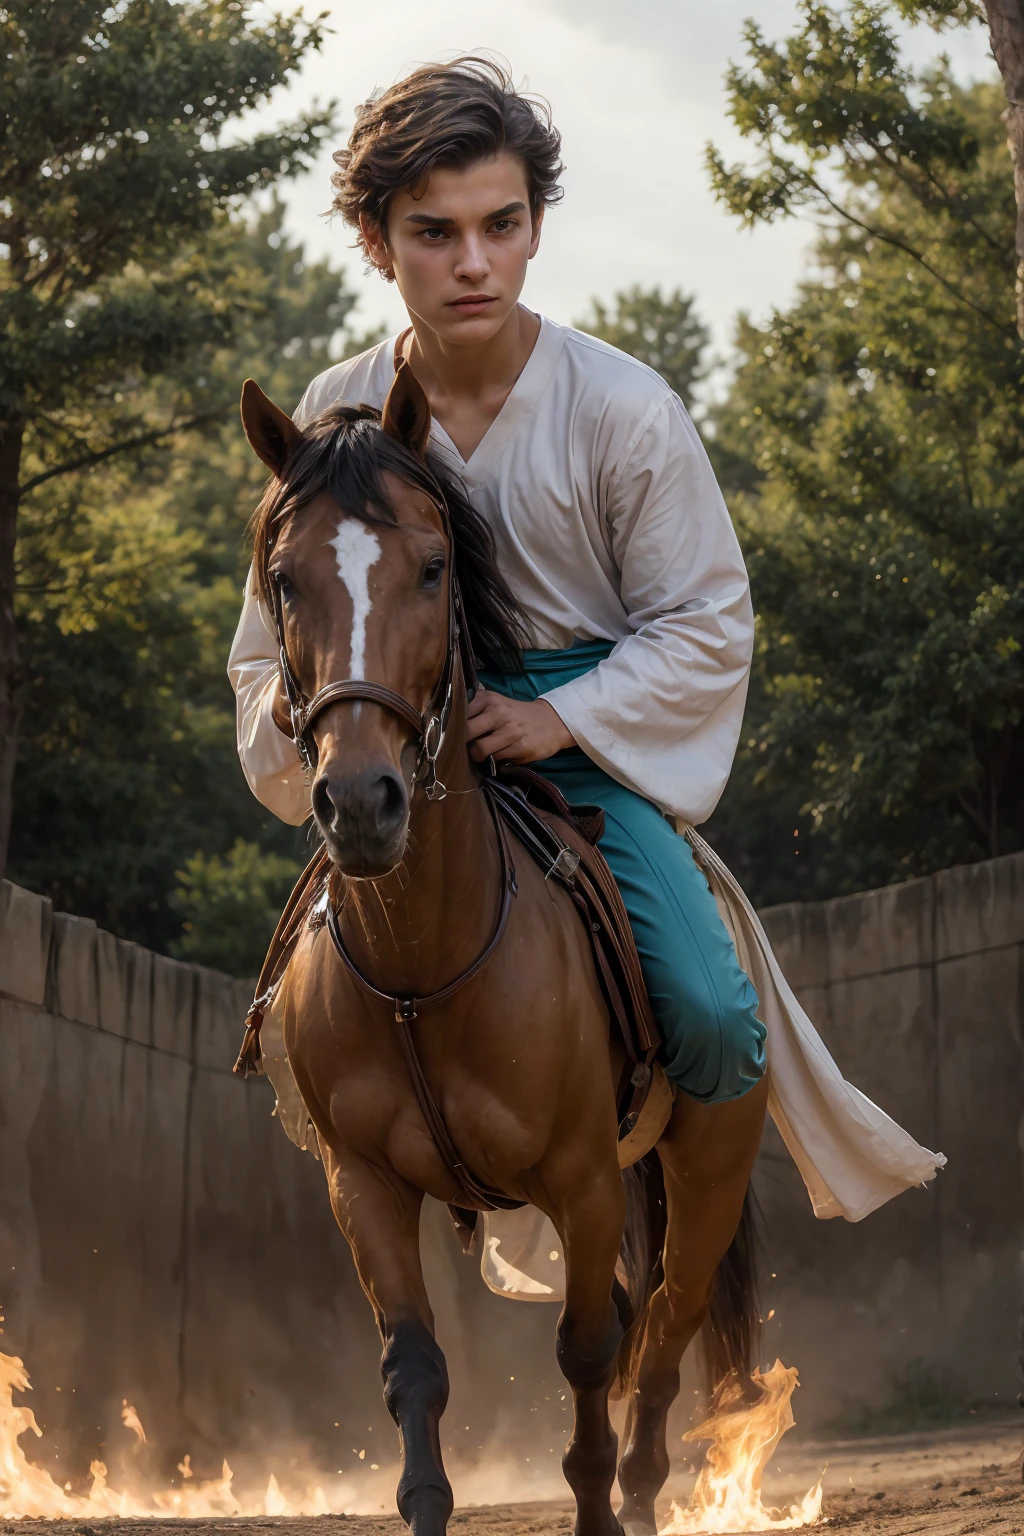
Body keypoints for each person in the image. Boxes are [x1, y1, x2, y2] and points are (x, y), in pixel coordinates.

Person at [229, 54, 766, 1109]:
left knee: (711, 1016)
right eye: (434, 232)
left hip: (588, 741)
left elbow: (706, 623)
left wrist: (555, 717)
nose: (475, 263)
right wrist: (316, 716)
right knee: (303, 1029)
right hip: (391, 738)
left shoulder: (622, 407)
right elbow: (265, 640)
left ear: (532, 226)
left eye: (503, 226)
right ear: (379, 243)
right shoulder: (336, 405)